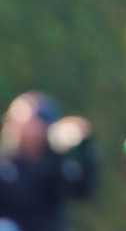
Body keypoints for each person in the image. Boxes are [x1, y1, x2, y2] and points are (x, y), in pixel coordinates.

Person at [0, 91, 97, 231]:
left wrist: (81, 148)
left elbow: (83, 191)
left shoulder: (55, 166)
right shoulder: (4, 162)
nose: (13, 127)